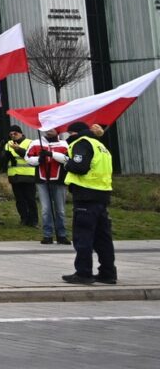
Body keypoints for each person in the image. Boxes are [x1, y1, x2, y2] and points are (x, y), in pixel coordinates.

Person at [58, 121, 116, 285]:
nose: (69, 138)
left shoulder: (81, 143)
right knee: (102, 238)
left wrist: (66, 162)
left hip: (86, 195)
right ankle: (108, 273)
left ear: (74, 133)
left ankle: (83, 273)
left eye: (69, 134)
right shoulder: (100, 145)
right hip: (102, 195)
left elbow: (79, 166)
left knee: (83, 236)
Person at [26, 128, 70, 244]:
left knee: (60, 210)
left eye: (52, 128)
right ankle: (47, 235)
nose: (48, 130)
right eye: (47, 128)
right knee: (46, 209)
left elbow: (67, 159)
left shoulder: (64, 144)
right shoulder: (36, 143)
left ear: (58, 130)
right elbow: (28, 159)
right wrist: (39, 159)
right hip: (42, 180)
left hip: (59, 180)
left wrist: (52, 154)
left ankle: (61, 235)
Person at [3, 127, 38, 227]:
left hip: (28, 175)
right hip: (15, 175)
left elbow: (31, 156)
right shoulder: (8, 144)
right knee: (20, 199)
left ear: (21, 133)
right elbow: (4, 161)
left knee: (30, 199)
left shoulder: (30, 143)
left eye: (15, 133)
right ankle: (24, 219)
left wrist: (18, 149)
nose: (13, 136)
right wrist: (5, 155)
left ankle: (34, 220)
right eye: (11, 134)